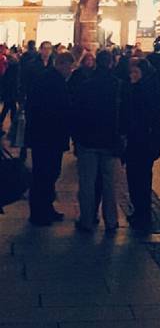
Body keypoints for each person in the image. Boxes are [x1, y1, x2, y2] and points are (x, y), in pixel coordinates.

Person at [72, 49, 121, 233]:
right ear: (110, 63)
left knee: (87, 183)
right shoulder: (118, 85)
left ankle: (86, 220)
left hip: (87, 140)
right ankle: (111, 220)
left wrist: (76, 138)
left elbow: (77, 113)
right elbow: (123, 115)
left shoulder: (86, 85)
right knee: (109, 183)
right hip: (109, 141)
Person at [25, 51, 73, 226]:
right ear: (62, 65)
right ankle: (39, 212)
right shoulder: (52, 81)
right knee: (44, 174)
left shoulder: (49, 79)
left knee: (48, 173)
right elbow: (55, 109)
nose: (70, 71)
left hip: (45, 136)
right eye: (70, 67)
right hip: (48, 136)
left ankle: (45, 208)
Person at [120, 58, 160, 231]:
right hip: (136, 142)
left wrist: (157, 142)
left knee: (141, 179)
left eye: (136, 72)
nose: (132, 75)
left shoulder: (144, 93)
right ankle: (139, 211)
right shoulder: (134, 90)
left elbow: (154, 121)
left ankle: (142, 213)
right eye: (131, 72)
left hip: (143, 142)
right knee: (136, 179)